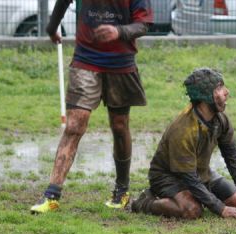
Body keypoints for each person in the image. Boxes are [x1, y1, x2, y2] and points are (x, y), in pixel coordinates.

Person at [30, 0, 153, 213]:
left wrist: (118, 31)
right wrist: (51, 28)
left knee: (119, 126)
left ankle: (122, 190)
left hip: (121, 64)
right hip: (85, 61)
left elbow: (143, 24)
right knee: (74, 125)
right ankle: (51, 195)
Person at [131, 68, 236, 220]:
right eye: (220, 88)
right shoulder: (183, 129)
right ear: (206, 96)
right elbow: (190, 179)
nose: (226, 91)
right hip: (168, 178)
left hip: (201, 173)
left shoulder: (221, 119)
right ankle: (144, 203)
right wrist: (221, 209)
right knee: (192, 210)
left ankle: (203, 197)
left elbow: (231, 155)